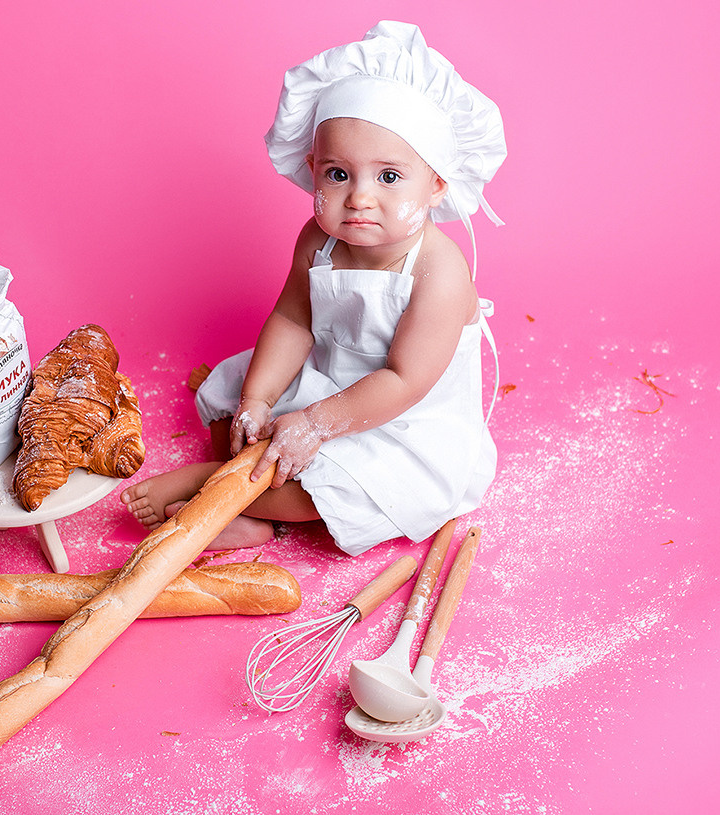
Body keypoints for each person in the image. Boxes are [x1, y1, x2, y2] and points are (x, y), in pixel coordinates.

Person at [122, 21, 506, 555]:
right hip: (324, 381)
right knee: (233, 406)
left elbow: (404, 380)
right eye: (338, 174)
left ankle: (212, 485)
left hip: (397, 416)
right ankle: (251, 513)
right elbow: (293, 319)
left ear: (437, 183)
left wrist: (316, 424)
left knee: (331, 491)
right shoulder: (318, 240)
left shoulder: (438, 272)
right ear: (312, 169)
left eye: (389, 177)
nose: (359, 198)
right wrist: (258, 400)